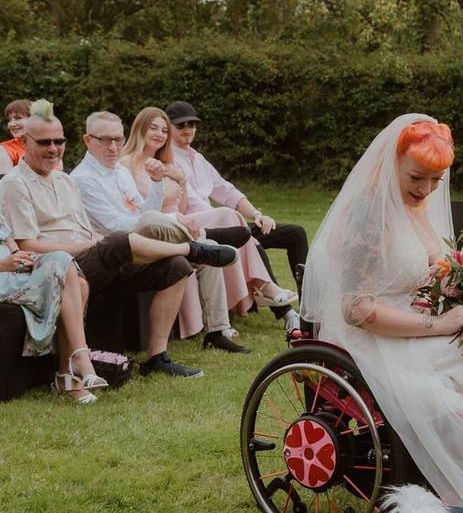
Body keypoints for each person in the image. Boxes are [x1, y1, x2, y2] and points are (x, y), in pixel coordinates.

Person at [300, 114, 463, 513]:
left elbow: (426, 273)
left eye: (435, 181)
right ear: (391, 165)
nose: (425, 190)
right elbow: (356, 309)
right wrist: (439, 323)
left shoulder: (417, 206)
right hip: (375, 339)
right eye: (416, 178)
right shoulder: (367, 218)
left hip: (415, 321)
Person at [0, 101, 236, 379]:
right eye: (44, 142)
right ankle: (194, 247)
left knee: (176, 267)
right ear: (25, 143)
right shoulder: (15, 184)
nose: (53, 148)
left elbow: (108, 222)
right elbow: (28, 246)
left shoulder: (64, 181)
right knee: (120, 241)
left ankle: (157, 357)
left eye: (58, 141)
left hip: (96, 252)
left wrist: (98, 241)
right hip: (60, 265)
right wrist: (93, 245)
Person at [72, 110, 249, 353]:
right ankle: (205, 240)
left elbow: (143, 209)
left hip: (146, 237)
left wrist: (156, 184)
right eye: (105, 140)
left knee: (203, 251)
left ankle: (217, 331)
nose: (113, 147)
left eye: (118, 140)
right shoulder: (83, 178)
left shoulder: (118, 172)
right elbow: (119, 226)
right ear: (87, 140)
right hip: (118, 250)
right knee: (190, 238)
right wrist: (171, 218)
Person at [123, 106, 296, 325]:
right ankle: (263, 288)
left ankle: (277, 301)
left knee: (255, 230)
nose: (160, 134)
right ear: (139, 130)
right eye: (154, 128)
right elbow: (146, 210)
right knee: (231, 222)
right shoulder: (128, 164)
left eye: (163, 130)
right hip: (169, 225)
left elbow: (213, 192)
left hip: (187, 221)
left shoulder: (175, 162)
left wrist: (181, 181)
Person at [166, 101, 305, 335]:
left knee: (295, 233)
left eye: (192, 124)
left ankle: (309, 307)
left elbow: (226, 190)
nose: (188, 129)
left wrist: (257, 214)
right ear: (168, 127)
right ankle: (286, 312)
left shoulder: (197, 158)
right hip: (198, 228)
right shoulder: (167, 160)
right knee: (240, 230)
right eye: (181, 125)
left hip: (227, 223)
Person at [0, 209, 108, 403]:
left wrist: (18, 254)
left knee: (68, 267)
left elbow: (6, 236)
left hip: (15, 268)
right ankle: (73, 370)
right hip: (3, 275)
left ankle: (71, 369)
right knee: (69, 275)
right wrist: (2, 265)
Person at [0, 99, 31, 174]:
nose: (11, 124)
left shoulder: (49, 146)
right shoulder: (4, 150)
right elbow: (6, 184)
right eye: (9, 120)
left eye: (18, 118)